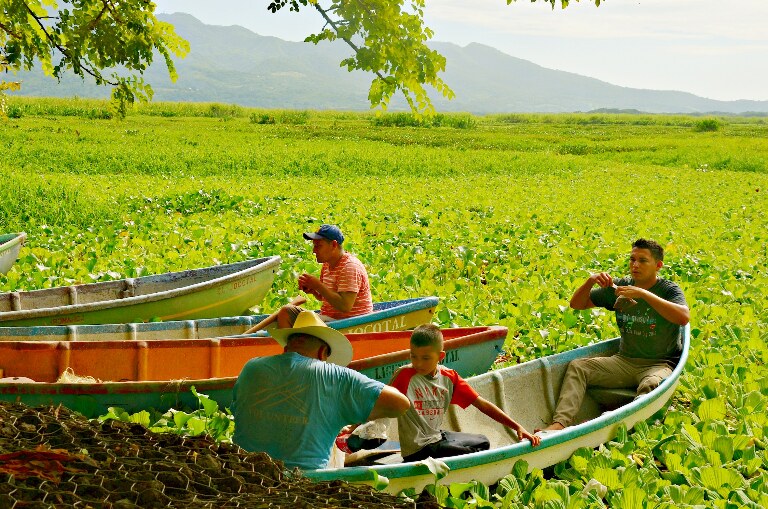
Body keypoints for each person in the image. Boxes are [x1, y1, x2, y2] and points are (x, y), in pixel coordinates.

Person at [541, 238, 690, 432]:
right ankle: (559, 424)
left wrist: (644, 294)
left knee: (651, 383)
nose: (635, 265)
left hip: (659, 363)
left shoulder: (668, 290)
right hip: (625, 361)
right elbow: (577, 304)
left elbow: (683, 317)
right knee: (578, 367)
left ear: (658, 265)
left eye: (643, 260)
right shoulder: (619, 288)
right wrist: (591, 280)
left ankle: (623, 426)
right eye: (632, 259)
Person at [231, 310, 410, 470]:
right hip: (304, 485)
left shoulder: (251, 367)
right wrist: (353, 414)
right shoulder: (336, 376)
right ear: (323, 353)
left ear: (286, 348)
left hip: (245, 475)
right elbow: (400, 404)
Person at [390, 324, 540, 462]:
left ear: (440, 357)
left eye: (426, 358)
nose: (418, 363)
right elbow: (379, 400)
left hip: (436, 437)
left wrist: (517, 426)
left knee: (483, 442)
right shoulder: (404, 375)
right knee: (472, 453)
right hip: (418, 449)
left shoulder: (449, 377)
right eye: (413, 356)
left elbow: (482, 404)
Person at [277, 224, 373, 328]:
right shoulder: (327, 265)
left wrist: (318, 285)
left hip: (348, 322)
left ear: (333, 245)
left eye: (318, 246)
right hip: (330, 319)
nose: (314, 250)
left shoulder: (349, 267)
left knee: (286, 312)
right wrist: (314, 290)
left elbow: (345, 306)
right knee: (285, 313)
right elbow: (327, 297)